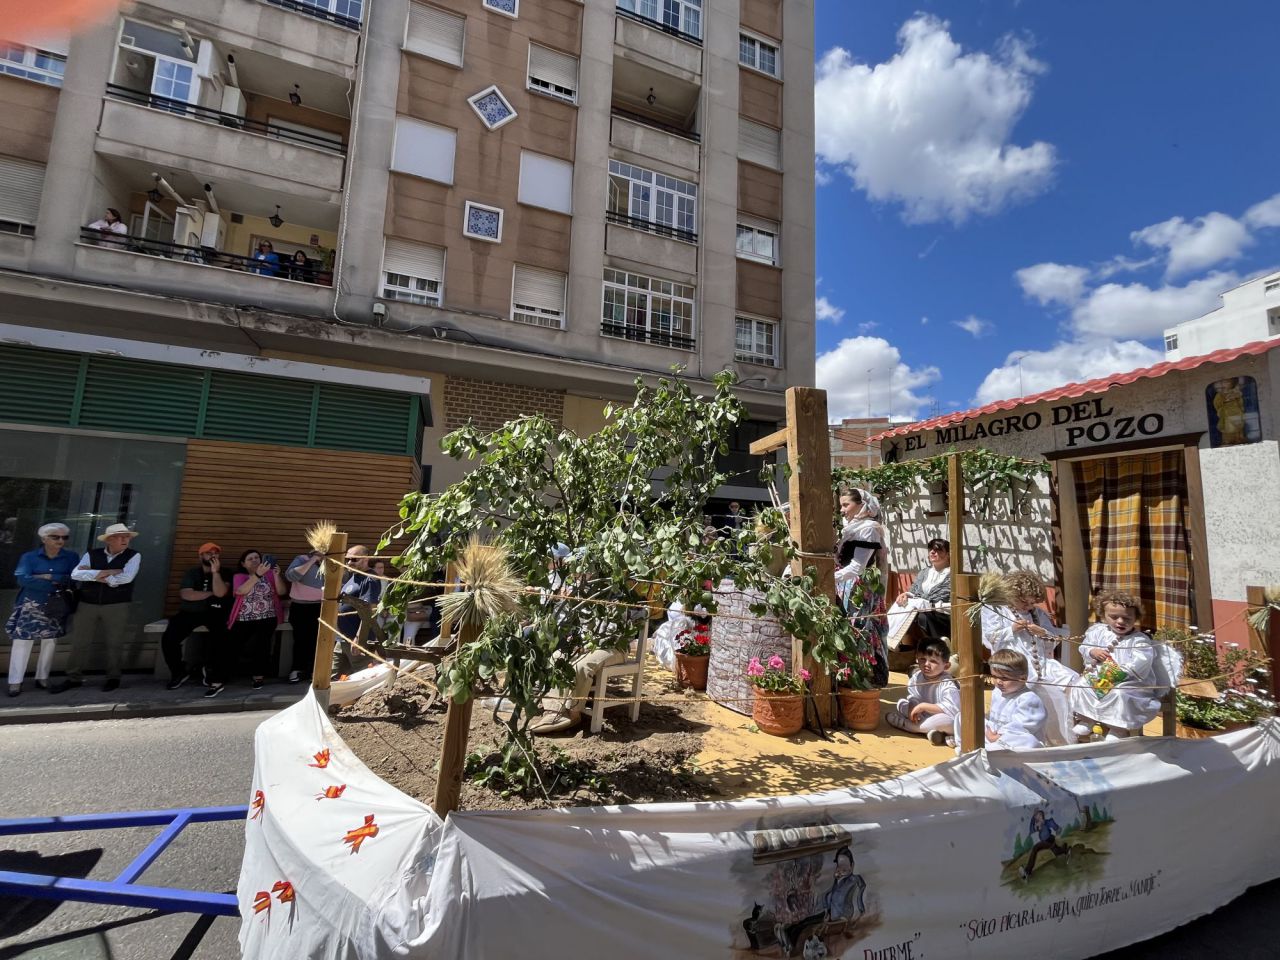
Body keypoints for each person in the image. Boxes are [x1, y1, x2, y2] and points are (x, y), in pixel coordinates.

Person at [981, 571, 1078, 745]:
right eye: (1024, 601)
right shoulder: (998, 610)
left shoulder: (1038, 615)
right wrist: (1012, 629)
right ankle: (1023, 729)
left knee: (1072, 679)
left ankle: (1071, 726)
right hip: (1015, 662)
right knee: (1029, 683)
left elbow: (1051, 642)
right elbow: (989, 639)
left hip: (1042, 662)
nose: (1028, 606)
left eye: (1032, 603)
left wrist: (1043, 633)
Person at [55, 523, 142, 693]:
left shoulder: (134, 555)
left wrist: (94, 574)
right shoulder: (92, 553)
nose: (125, 540)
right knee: (80, 642)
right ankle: (73, 677)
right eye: (120, 536)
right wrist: (107, 573)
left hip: (117, 604)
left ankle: (113, 677)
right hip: (87, 603)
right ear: (109, 540)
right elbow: (75, 574)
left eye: (127, 537)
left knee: (115, 642)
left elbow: (127, 577)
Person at [1069, 591, 1166, 741]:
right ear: (1104, 615)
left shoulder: (1139, 640)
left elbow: (1141, 662)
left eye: (1127, 618)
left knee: (1119, 693)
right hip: (1101, 675)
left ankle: (1118, 728)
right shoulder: (1098, 631)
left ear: (1135, 618)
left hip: (1129, 681)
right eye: (1114, 617)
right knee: (1082, 684)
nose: (1120, 621)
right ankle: (1087, 718)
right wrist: (1092, 651)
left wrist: (1117, 673)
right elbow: (1084, 647)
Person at [6, 523, 79, 696]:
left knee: (50, 642)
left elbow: (73, 578)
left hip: (57, 603)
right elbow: (23, 579)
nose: (61, 540)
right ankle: (15, 682)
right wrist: (54, 583)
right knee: (22, 641)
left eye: (64, 537)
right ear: (44, 538)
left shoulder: (71, 556)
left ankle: (42, 677)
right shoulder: (29, 557)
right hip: (31, 603)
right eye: (55, 537)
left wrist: (48, 576)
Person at [207, 549, 286, 696]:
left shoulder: (269, 575)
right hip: (243, 618)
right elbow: (240, 591)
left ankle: (258, 676)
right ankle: (217, 680)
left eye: (257, 557)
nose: (255, 560)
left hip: (267, 617)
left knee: (262, 645)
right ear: (243, 564)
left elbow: (281, 592)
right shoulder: (240, 576)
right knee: (230, 647)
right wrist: (257, 575)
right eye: (251, 559)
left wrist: (276, 575)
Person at [834, 488, 889, 687]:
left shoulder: (869, 528)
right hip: (842, 583)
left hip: (856, 587)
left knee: (859, 630)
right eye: (841, 505)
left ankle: (862, 678)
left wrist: (830, 578)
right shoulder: (851, 527)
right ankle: (846, 677)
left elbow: (857, 567)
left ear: (862, 505)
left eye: (846, 504)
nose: (842, 510)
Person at [161, 542, 230, 690]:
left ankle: (210, 670)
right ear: (201, 556)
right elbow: (187, 595)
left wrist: (215, 573)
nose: (213, 555)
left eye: (215, 553)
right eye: (209, 553)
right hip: (190, 612)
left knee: (220, 638)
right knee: (169, 638)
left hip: (215, 613)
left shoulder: (225, 572)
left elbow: (221, 593)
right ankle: (179, 671)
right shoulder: (192, 573)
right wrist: (210, 594)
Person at [885, 638, 959, 747]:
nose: (926, 664)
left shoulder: (947, 683)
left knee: (946, 721)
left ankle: (910, 726)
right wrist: (913, 706)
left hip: (944, 717)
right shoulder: (917, 677)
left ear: (946, 666)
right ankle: (931, 731)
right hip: (924, 715)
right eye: (922, 659)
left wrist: (923, 706)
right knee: (901, 703)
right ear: (916, 659)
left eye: (933, 661)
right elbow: (914, 696)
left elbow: (951, 709)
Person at [332, 545, 382, 678]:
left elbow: (369, 611)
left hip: (357, 640)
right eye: (347, 559)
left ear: (365, 559)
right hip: (342, 638)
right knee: (332, 677)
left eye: (354, 560)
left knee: (363, 677)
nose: (349, 563)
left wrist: (359, 639)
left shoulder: (370, 579)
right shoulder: (353, 576)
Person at [888, 538, 951, 643]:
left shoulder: (952, 575)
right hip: (919, 610)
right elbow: (913, 591)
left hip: (941, 615)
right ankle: (891, 639)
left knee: (921, 616)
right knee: (901, 605)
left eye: (938, 549)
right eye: (931, 549)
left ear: (948, 554)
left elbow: (953, 604)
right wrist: (906, 595)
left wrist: (931, 605)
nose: (932, 552)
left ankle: (938, 644)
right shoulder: (924, 572)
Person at [985, 648, 1046, 750]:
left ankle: (991, 750)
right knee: (963, 718)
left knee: (1027, 740)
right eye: (994, 676)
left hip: (1012, 742)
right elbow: (993, 717)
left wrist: (999, 736)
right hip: (993, 736)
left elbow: (1023, 727)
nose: (998, 681)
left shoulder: (1028, 698)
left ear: (1023, 678)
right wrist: (989, 730)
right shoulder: (997, 692)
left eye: (1004, 678)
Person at [285, 546, 325, 684]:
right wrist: (313, 559)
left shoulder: (331, 562)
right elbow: (291, 576)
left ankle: (315, 671)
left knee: (319, 640)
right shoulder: (302, 559)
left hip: (322, 606)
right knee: (301, 639)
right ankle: (297, 669)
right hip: (300, 607)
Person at [1019, 809, 1070, 881]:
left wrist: (1058, 832)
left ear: (1042, 816)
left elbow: (1056, 827)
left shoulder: (1047, 822)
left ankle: (1027, 871)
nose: (1037, 817)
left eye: (1039, 815)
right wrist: (1033, 819)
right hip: (1047, 842)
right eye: (1036, 816)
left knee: (1035, 848)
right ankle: (1065, 849)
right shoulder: (1038, 826)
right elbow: (1031, 830)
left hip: (1049, 840)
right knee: (1056, 852)